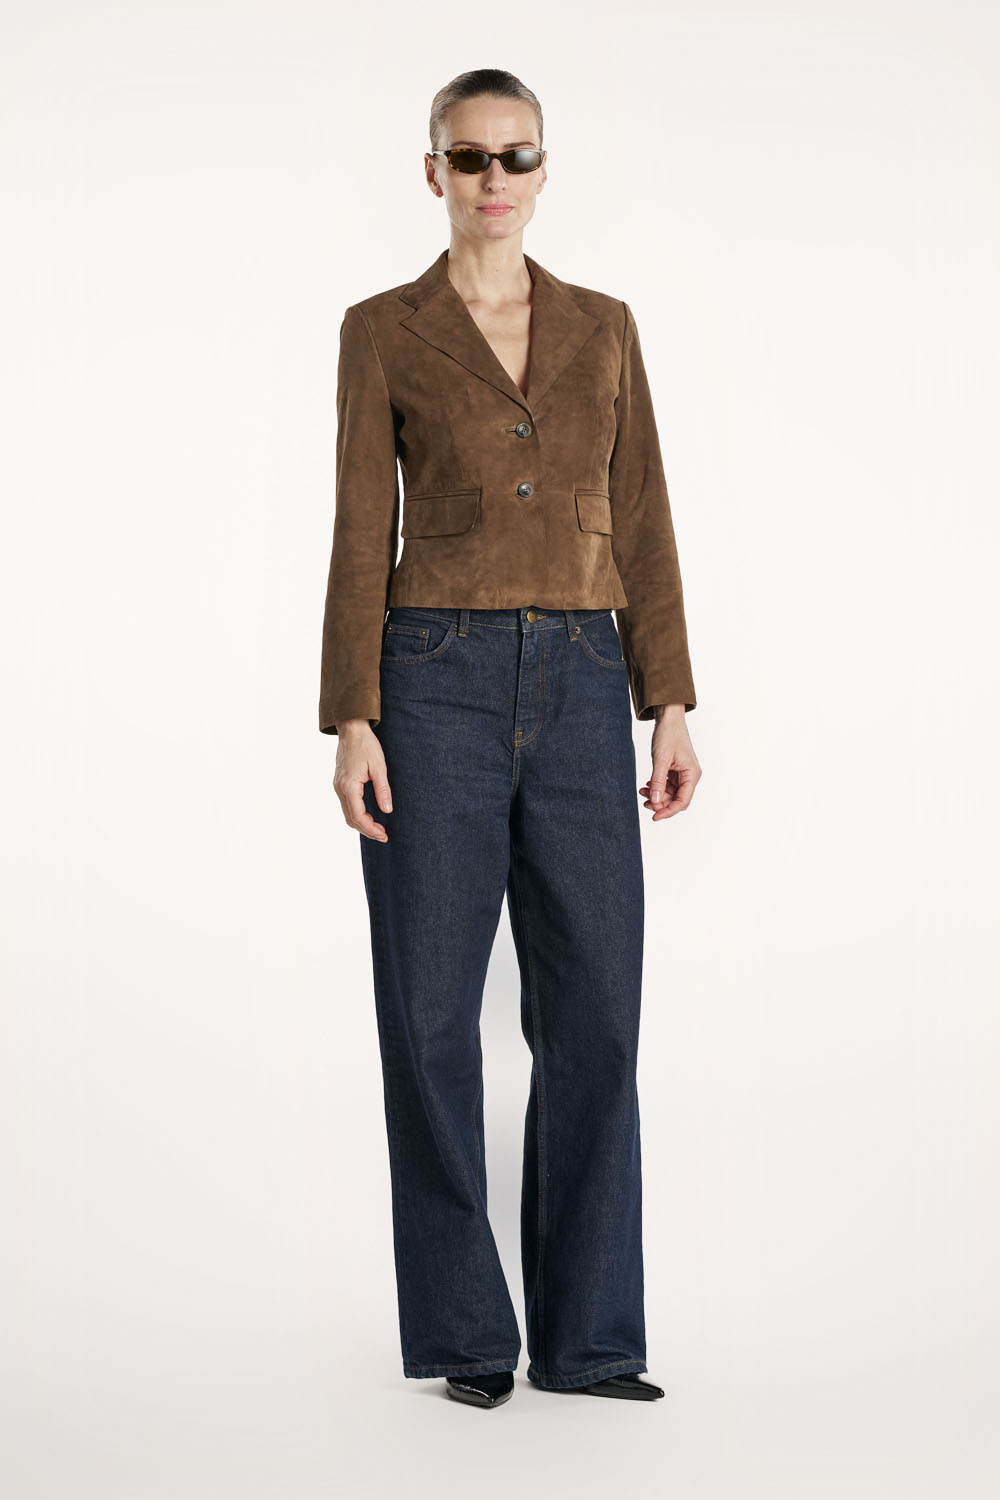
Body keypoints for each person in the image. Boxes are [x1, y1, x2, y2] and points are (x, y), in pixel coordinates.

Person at [318, 68, 702, 1409]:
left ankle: (591, 1338)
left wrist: (669, 695)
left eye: (515, 155)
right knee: (429, 1014)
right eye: (469, 156)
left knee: (595, 1012)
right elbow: (359, 527)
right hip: (433, 683)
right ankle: (469, 1334)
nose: (493, 179)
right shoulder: (384, 329)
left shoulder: (605, 326)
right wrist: (352, 715)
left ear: (544, 168)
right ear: (433, 171)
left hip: (588, 676)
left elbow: (643, 513)